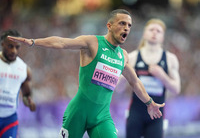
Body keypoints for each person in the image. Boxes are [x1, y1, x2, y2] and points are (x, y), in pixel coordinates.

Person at [8, 9, 165, 138]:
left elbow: (135, 81)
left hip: (102, 116)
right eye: (122, 23)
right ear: (109, 26)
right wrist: (34, 42)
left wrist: (149, 102)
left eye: (129, 25)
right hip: (78, 113)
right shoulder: (92, 43)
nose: (126, 28)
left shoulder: (122, 55)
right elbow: (62, 43)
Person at [118, 19, 181, 138]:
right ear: (144, 33)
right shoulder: (133, 57)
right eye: (151, 29)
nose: (154, 33)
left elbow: (176, 90)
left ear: (162, 37)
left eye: (158, 31)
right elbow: (118, 89)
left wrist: (162, 76)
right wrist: (125, 75)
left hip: (156, 116)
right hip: (135, 113)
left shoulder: (170, 59)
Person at [0, 29, 36, 138]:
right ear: (2, 45)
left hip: (10, 119)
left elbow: (26, 95)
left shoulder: (24, 69)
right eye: (10, 46)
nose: (14, 51)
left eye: (17, 47)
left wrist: (29, 101)